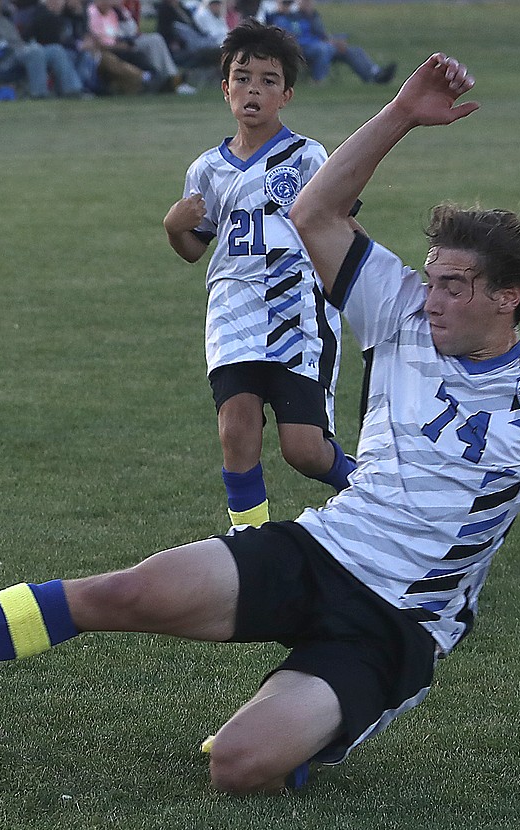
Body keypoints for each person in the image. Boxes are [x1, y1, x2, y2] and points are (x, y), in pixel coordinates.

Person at [0, 52, 520, 795]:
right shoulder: (400, 314)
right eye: (429, 274)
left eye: (453, 282)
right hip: (323, 549)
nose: (431, 292)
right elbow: (315, 214)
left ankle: (337, 718)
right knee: (119, 591)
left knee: (237, 766)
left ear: (506, 296)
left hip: (399, 623)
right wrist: (402, 115)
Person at [164, 20, 353, 528]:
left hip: (297, 309)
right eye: (243, 77)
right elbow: (193, 249)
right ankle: (249, 539)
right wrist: (173, 227)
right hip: (231, 309)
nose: (254, 89)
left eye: (269, 80)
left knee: (305, 450)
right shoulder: (206, 169)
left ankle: (380, 499)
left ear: (286, 94)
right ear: (225, 87)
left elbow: (341, 222)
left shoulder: (309, 156)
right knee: (236, 426)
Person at [0, 0, 85, 99]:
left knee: (56, 50)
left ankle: (73, 90)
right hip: (1, 60)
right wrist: (17, 47)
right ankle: (39, 93)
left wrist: (23, 46)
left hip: (19, 53)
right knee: (34, 51)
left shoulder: (3, 18)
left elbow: (18, 39)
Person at [267, 0, 394, 85]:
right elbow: (279, 38)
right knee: (323, 50)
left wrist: (334, 40)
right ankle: (317, 81)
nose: (288, 5)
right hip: (300, 49)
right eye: (285, 3)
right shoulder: (275, 17)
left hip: (319, 45)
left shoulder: (303, 15)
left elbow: (320, 33)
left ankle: (375, 75)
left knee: (353, 51)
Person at [88, 0, 195, 94]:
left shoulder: (113, 13)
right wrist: (121, 45)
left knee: (155, 40)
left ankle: (171, 78)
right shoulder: (93, 13)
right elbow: (100, 41)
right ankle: (167, 79)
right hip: (112, 48)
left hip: (125, 42)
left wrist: (121, 11)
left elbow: (131, 30)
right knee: (152, 43)